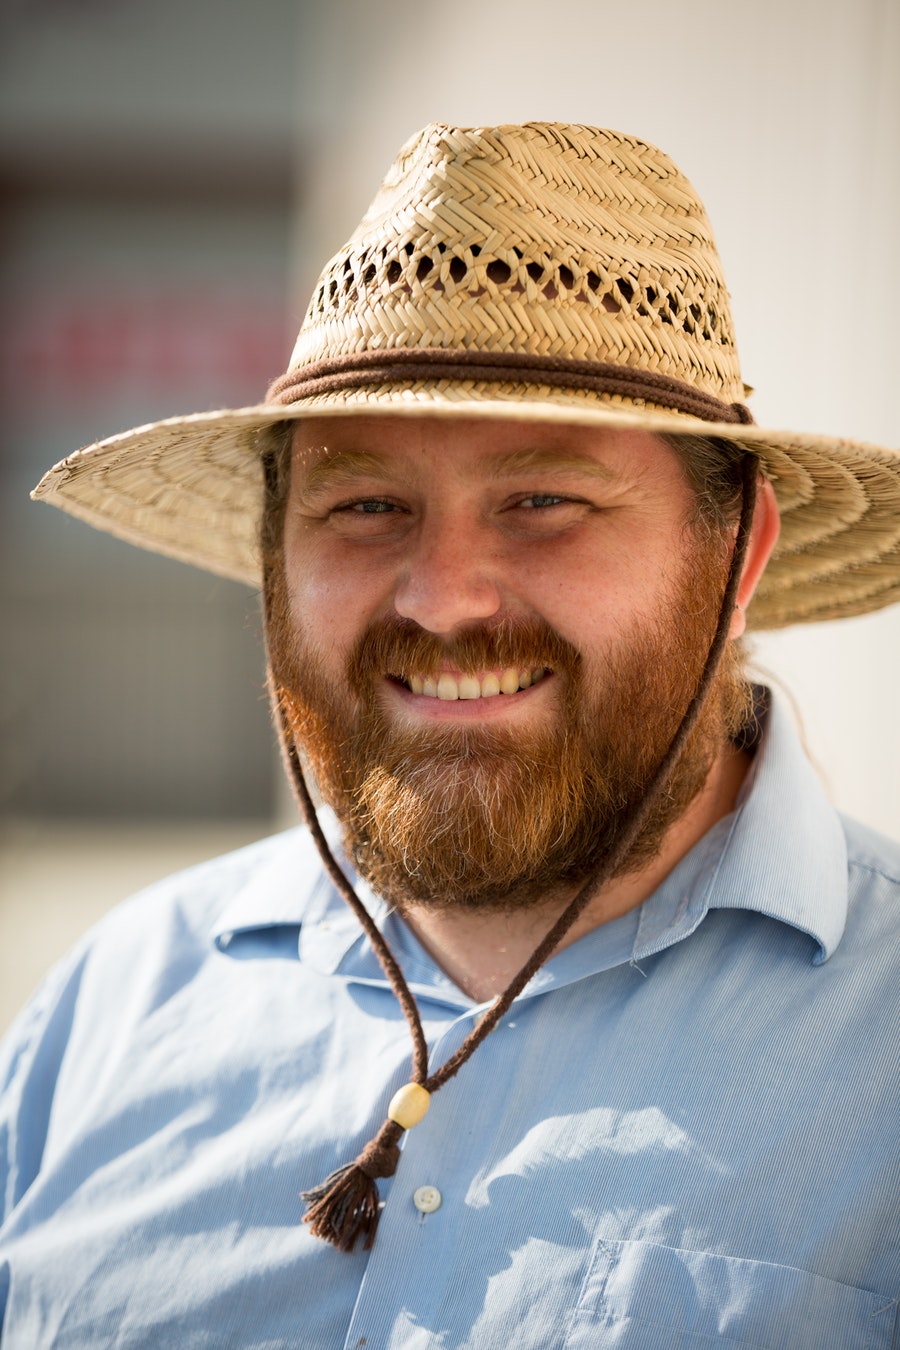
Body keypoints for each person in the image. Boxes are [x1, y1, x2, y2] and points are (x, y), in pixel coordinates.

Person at [2, 122, 898, 1348]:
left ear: (737, 552)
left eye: (544, 502)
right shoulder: (103, 1019)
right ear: (275, 562)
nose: (442, 596)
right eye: (367, 506)